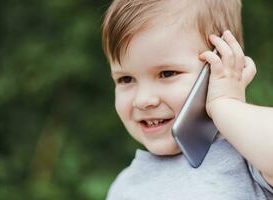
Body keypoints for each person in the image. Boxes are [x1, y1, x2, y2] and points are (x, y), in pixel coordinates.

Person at [101, 0, 273, 199]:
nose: (142, 100)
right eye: (126, 79)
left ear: (221, 63)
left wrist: (225, 103)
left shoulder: (249, 158)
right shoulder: (123, 187)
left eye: (167, 74)